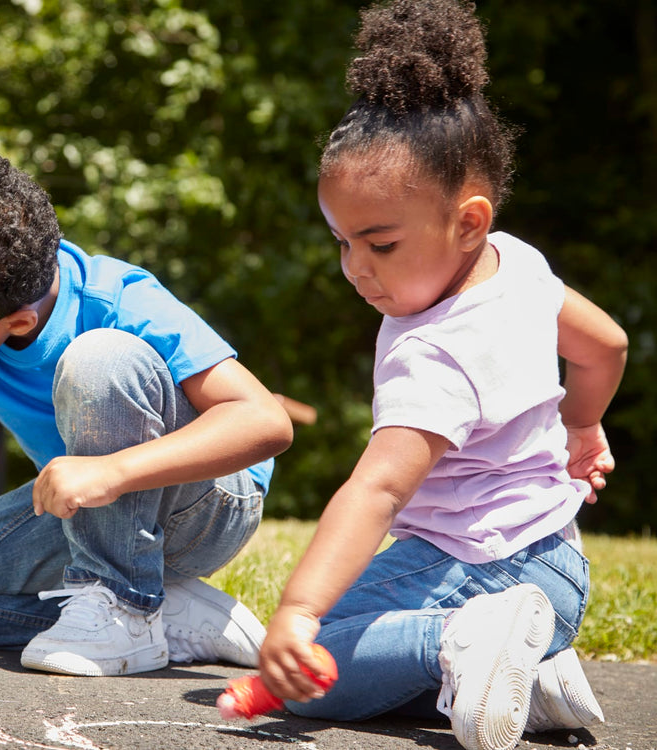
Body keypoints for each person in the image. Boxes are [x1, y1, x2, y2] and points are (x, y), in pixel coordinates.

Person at [257, 2, 627, 749]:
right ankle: (536, 672)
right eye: (342, 242)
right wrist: (583, 426)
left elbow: (378, 489)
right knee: (344, 653)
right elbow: (606, 346)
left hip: (481, 573)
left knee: (302, 676)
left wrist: (297, 610)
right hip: (559, 565)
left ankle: (459, 641)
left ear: (467, 221)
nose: (356, 268)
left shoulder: (432, 351)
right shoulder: (517, 263)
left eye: (381, 244)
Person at [0, 147, 294, 677]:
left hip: (204, 505)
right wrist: (99, 479)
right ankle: (167, 611)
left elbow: (265, 422)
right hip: (87, 512)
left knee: (99, 359)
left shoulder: (118, 301)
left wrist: (112, 471)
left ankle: (127, 606)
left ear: (17, 323)